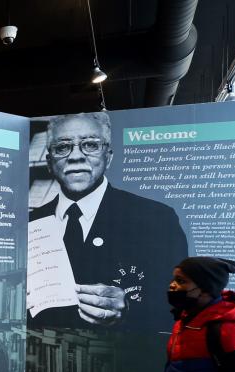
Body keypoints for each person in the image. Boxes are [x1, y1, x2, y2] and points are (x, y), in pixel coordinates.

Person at [28, 112, 188, 332]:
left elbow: (182, 301)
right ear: (49, 162)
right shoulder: (31, 222)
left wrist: (130, 308)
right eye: (62, 147)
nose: (76, 156)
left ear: (108, 157)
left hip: (121, 359)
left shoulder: (157, 218)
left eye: (90, 145)